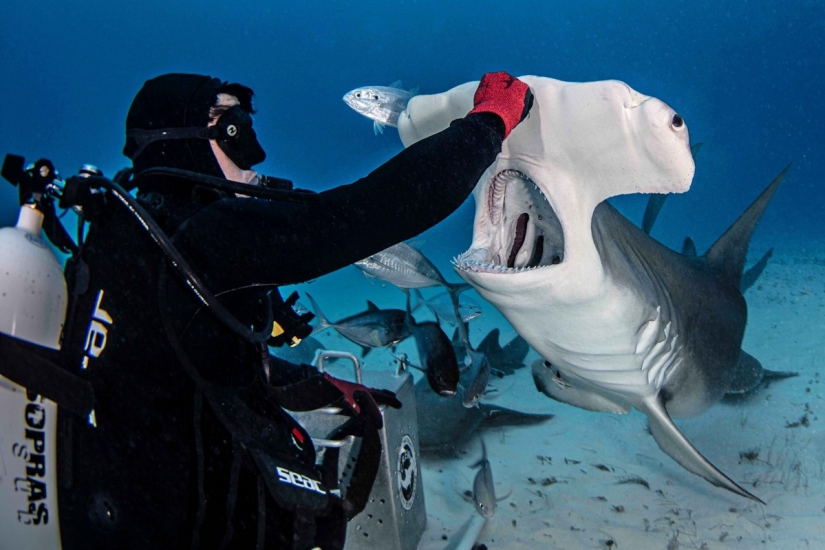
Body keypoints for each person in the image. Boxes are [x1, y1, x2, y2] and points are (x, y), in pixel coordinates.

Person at [52, 71, 533, 549]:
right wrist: (488, 124)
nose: (255, 154)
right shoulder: (203, 234)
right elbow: (368, 214)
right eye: (237, 130)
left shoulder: (123, 233)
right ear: (190, 142)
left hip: (121, 516)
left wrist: (315, 384)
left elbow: (181, 361)